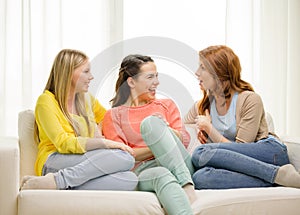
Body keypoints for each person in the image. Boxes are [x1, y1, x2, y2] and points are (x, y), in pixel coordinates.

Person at [20, 49, 138, 191]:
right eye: (86, 71)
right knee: (125, 157)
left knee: (130, 179)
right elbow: (63, 143)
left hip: (82, 159)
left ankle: (57, 183)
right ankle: (59, 179)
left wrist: (137, 106)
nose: (91, 77)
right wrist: (104, 143)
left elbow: (110, 118)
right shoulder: (46, 101)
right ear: (68, 73)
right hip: (53, 160)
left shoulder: (86, 99)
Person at [184, 45, 300, 189]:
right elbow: (181, 130)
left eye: (203, 68)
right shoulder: (201, 106)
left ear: (219, 73)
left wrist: (209, 128)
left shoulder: (250, 99)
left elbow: (242, 147)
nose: (196, 73)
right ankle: (277, 178)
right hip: (244, 165)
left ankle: (276, 172)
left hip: (269, 153)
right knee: (201, 178)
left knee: (202, 153)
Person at [102, 54, 197, 215]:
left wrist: (163, 130)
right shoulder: (114, 115)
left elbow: (183, 141)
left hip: (181, 166)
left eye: (157, 76)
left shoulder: (166, 105)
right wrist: (159, 143)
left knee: (151, 124)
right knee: (162, 174)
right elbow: (122, 157)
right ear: (131, 82)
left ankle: (186, 184)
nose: (157, 82)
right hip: (143, 171)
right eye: (150, 77)